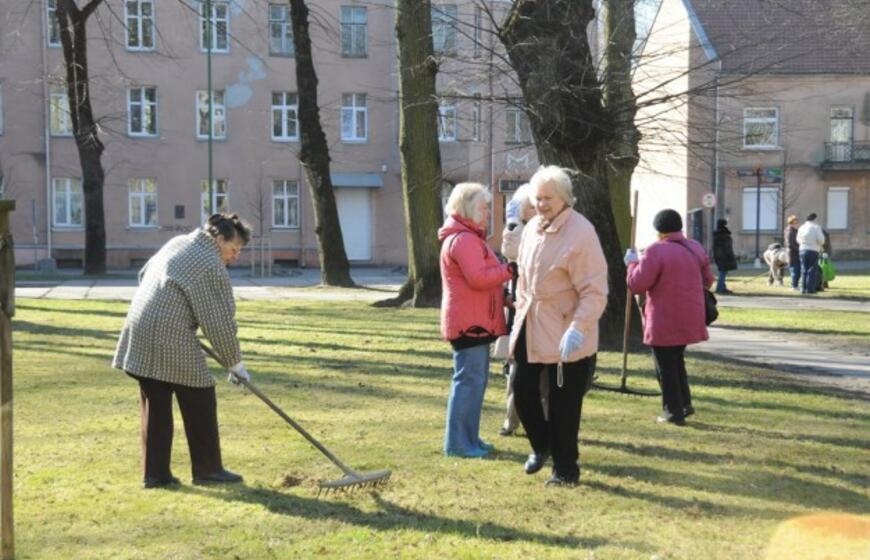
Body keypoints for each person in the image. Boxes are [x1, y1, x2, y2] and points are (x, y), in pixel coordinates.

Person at [113, 213, 252, 489]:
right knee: (199, 394)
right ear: (219, 239)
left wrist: (171, 308)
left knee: (157, 401)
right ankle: (208, 470)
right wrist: (235, 364)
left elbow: (144, 274)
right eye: (234, 249)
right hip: (168, 335)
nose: (235, 256)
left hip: (139, 329)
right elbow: (219, 322)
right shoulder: (209, 263)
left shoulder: (180, 242)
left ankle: (155, 474)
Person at [509, 165, 608, 486]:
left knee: (565, 405)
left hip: (568, 329)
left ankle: (565, 470)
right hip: (531, 322)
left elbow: (594, 290)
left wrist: (578, 327)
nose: (542, 204)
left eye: (548, 198)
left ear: (565, 198)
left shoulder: (581, 232)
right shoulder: (532, 228)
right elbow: (523, 279)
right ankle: (542, 446)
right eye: (537, 198)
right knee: (522, 391)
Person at [439, 183, 514, 458]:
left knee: (474, 382)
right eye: (484, 207)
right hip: (469, 323)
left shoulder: (469, 237)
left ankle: (469, 438)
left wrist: (503, 292)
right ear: (469, 207)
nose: (488, 212)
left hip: (474, 321)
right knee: (469, 382)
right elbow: (479, 277)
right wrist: (510, 270)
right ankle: (459, 443)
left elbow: (484, 274)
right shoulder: (464, 240)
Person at [625, 209, 714, 426]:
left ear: (658, 230)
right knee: (676, 360)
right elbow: (708, 280)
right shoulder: (694, 247)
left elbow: (637, 285)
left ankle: (673, 411)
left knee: (665, 365)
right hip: (690, 315)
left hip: (663, 317)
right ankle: (684, 403)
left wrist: (632, 263)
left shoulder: (655, 251)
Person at [497, 184, 548, 437]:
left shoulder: (552, 227)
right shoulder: (518, 230)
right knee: (517, 370)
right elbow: (511, 251)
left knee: (546, 372)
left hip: (546, 310)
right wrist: (514, 221)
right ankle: (511, 419)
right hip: (521, 308)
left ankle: (546, 418)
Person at [797, 213, 825, 295]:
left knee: (803, 269)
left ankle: (803, 288)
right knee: (812, 270)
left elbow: (798, 239)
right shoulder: (816, 227)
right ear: (814, 219)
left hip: (802, 250)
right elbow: (821, 240)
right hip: (813, 250)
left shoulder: (801, 227)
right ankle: (810, 289)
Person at [712, 219, 737, 294]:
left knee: (722, 272)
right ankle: (720, 288)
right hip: (725, 257)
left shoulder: (716, 235)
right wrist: (731, 257)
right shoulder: (725, 235)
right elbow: (727, 247)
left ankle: (722, 287)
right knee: (723, 273)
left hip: (718, 257)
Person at [784, 215, 800, 291]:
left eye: (797, 222)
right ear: (791, 223)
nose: (797, 224)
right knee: (795, 270)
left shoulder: (795, 230)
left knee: (798, 270)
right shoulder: (789, 231)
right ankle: (794, 286)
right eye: (795, 222)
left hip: (796, 253)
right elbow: (790, 244)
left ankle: (795, 285)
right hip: (792, 253)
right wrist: (799, 249)